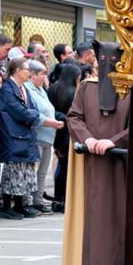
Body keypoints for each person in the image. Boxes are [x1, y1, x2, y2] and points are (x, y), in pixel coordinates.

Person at [61, 41, 130, 265]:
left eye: (113, 61)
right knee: (92, 219)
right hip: (93, 164)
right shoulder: (86, 89)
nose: (107, 65)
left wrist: (112, 142)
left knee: (121, 219)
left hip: (121, 166)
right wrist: (88, 139)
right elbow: (74, 117)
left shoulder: (131, 89)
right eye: (103, 60)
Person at [0, 58, 42, 220]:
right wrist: (32, 115)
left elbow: (34, 109)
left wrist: (32, 115)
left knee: (25, 173)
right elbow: (19, 112)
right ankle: (7, 206)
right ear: (17, 70)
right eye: (27, 69)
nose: (29, 72)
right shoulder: (8, 88)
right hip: (13, 135)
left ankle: (21, 205)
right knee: (13, 172)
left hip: (25, 134)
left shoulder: (23, 88)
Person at [25, 60, 65, 213]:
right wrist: (53, 123)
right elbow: (36, 113)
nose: (44, 77)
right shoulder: (28, 89)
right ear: (32, 75)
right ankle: (28, 200)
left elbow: (49, 108)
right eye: (42, 74)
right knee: (33, 171)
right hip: (38, 134)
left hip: (48, 136)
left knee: (42, 171)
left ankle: (38, 199)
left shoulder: (41, 89)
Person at [48, 62, 82, 211]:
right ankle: (65, 200)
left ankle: (57, 199)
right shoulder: (75, 93)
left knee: (61, 168)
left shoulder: (52, 89)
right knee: (68, 169)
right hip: (69, 133)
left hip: (56, 132)